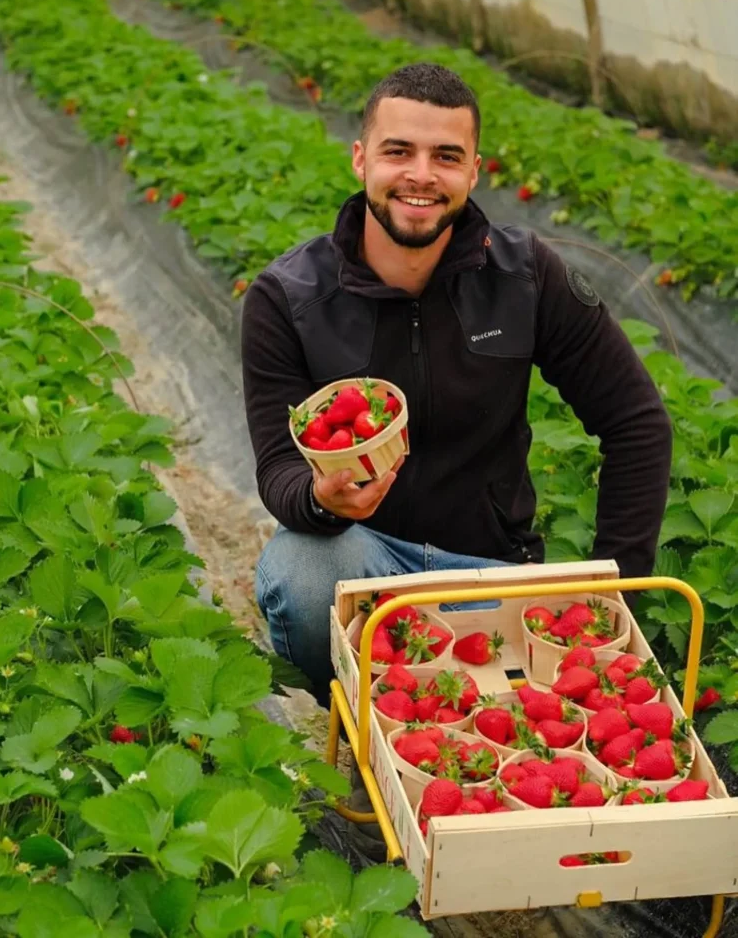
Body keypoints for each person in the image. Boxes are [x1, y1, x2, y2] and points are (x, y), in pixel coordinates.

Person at [240, 62, 672, 711]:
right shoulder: (289, 297)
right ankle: (359, 715)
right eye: (398, 152)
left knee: (523, 704)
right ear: (360, 160)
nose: (420, 174)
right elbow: (278, 467)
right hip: (362, 566)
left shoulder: (525, 277)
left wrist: (613, 593)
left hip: (490, 571)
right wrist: (326, 500)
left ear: (473, 171)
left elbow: (636, 422)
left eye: (445, 156)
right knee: (304, 572)